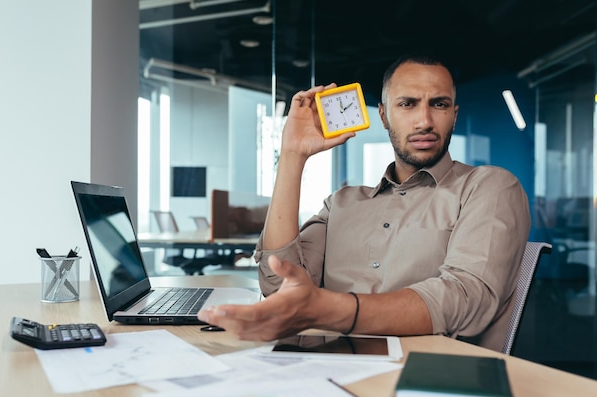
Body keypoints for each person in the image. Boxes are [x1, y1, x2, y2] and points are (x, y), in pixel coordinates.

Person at [198, 54, 531, 351]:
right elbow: (279, 286)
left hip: (419, 375)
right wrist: (292, 155)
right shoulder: (341, 203)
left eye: (439, 104)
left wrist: (329, 309)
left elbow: (466, 298)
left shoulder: (489, 187)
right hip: (313, 364)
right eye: (408, 104)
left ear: (454, 115)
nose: (425, 121)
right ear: (383, 116)